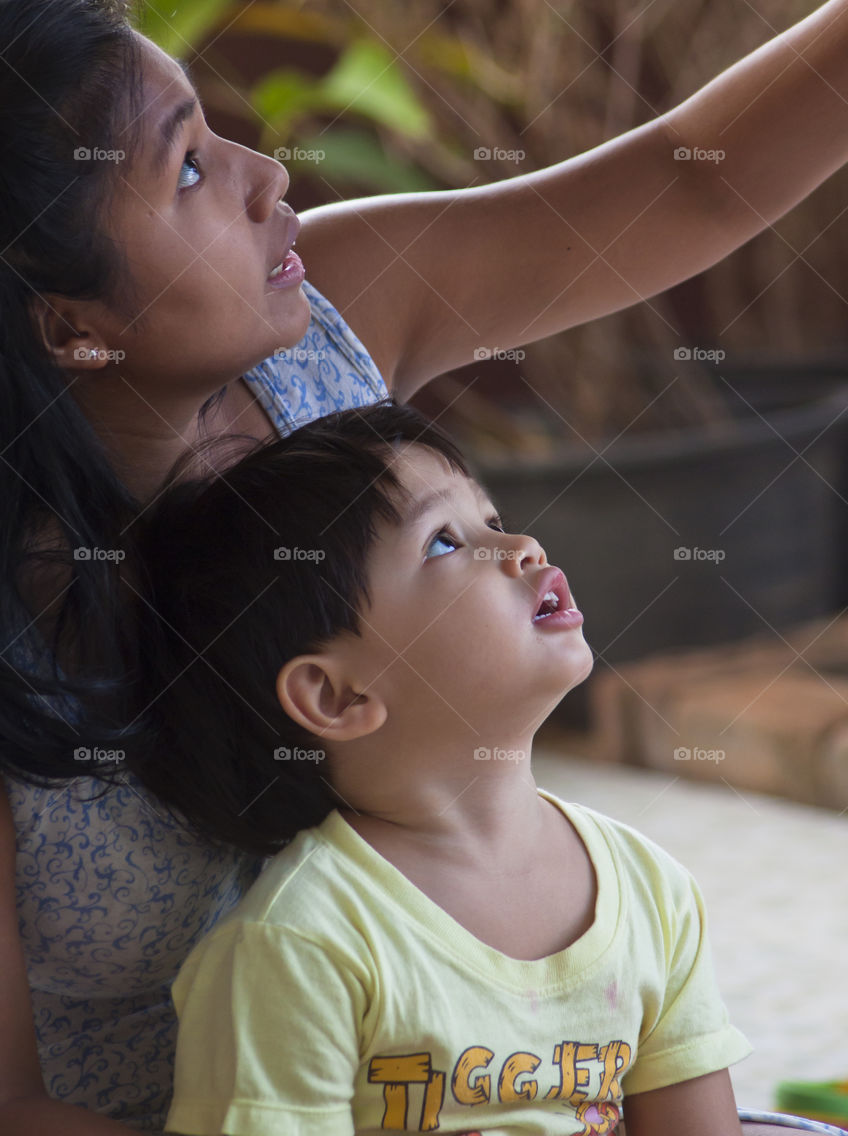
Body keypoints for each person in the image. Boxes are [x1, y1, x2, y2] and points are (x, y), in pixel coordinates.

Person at [2, 0, 848, 1135]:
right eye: (188, 166)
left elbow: (687, 182)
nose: (263, 173)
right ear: (69, 323)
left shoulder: (317, 322)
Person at [129, 399, 750, 1136]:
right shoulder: (303, 947)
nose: (520, 545)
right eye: (445, 544)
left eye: (492, 518)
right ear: (336, 695)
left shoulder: (653, 892)